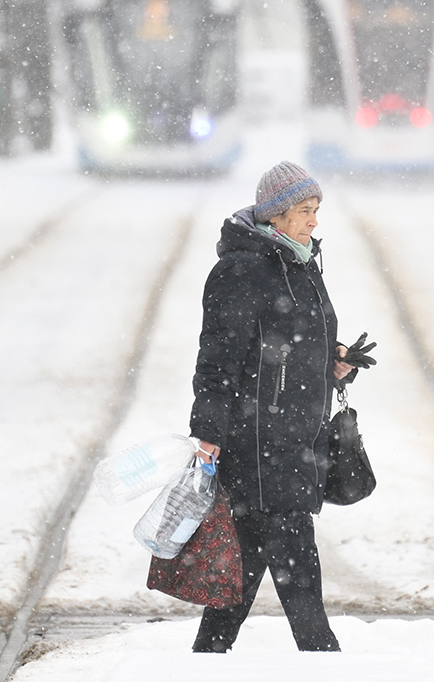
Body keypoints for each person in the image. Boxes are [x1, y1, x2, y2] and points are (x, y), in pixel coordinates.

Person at [188, 161, 358, 653]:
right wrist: (209, 433)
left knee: (237, 581)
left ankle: (207, 660)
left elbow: (293, 344)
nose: (314, 221)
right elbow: (217, 361)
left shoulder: (300, 262)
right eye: (305, 211)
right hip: (257, 445)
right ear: (275, 217)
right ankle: (323, 660)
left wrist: (334, 361)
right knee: (297, 574)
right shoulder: (242, 270)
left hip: (292, 442)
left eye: (316, 210)